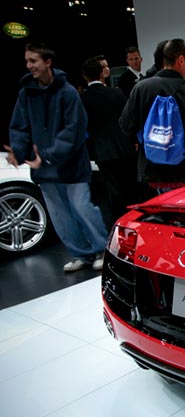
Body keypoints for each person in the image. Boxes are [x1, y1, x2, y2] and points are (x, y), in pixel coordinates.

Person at [5, 42, 108, 272]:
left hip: (71, 166)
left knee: (82, 208)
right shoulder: (26, 93)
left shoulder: (67, 92)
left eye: (33, 60)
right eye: (27, 61)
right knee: (61, 216)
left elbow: (75, 131)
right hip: (44, 169)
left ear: (48, 62)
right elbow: (20, 127)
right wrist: (18, 152)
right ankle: (81, 254)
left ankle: (102, 249)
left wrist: (48, 155)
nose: (29, 65)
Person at [119, 38, 185, 192]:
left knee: (163, 205)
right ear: (181, 60)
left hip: (154, 170)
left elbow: (126, 125)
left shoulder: (141, 88)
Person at [80, 56, 146, 227]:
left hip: (102, 151)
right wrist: (133, 139)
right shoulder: (116, 93)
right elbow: (129, 118)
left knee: (113, 191)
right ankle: (138, 221)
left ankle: (121, 224)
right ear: (101, 73)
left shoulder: (83, 98)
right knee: (132, 186)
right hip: (125, 147)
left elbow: (83, 125)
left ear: (85, 76)